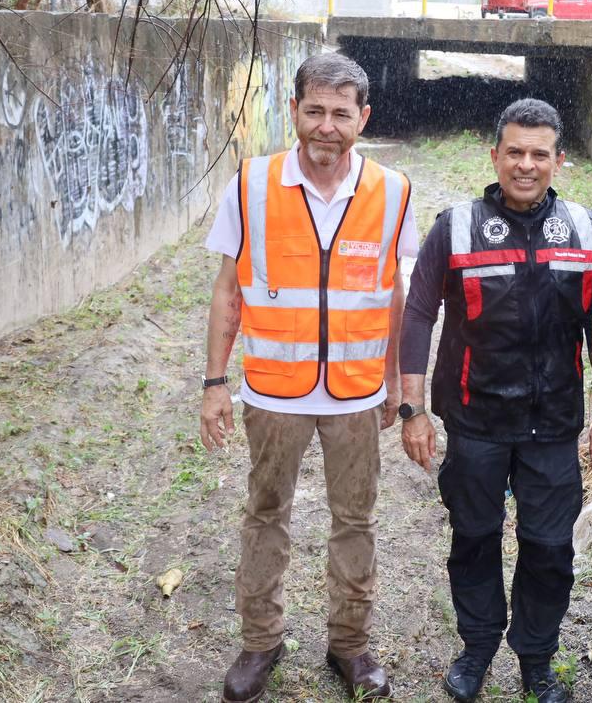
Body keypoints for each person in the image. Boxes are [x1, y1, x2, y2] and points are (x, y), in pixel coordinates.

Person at [199, 52, 419, 703]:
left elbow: (397, 292)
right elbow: (226, 292)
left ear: (363, 117)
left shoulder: (394, 190)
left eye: (341, 113)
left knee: (356, 520)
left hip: (356, 392)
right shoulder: (250, 183)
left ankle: (350, 646)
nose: (327, 126)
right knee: (265, 513)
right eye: (314, 110)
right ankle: (260, 640)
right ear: (294, 110)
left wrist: (397, 380)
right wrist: (215, 382)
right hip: (272, 392)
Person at [398, 98, 592, 703]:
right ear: (493, 155)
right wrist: (412, 409)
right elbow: (417, 315)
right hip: (475, 418)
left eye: (539, 154)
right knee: (474, 535)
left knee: (548, 548)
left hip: (551, 424)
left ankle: (537, 659)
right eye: (514, 152)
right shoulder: (457, 225)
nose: (526, 165)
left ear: (559, 159)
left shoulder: (583, 226)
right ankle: (476, 649)